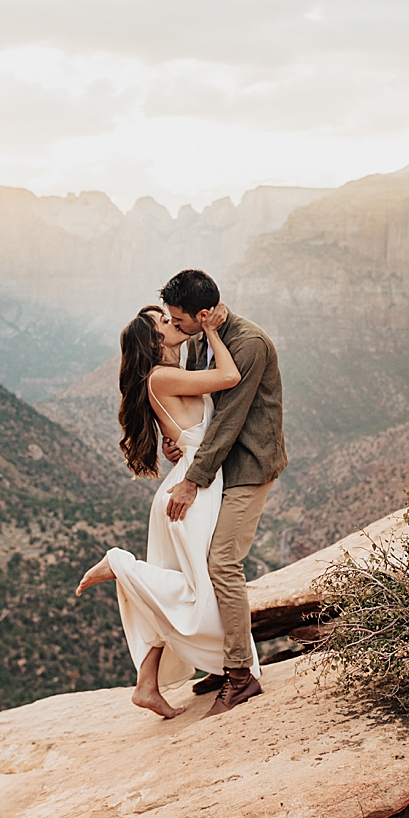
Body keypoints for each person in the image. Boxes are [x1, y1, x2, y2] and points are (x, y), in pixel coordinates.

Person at [76, 302, 255, 719]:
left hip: (183, 484)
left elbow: (190, 429)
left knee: (173, 583)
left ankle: (147, 685)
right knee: (197, 588)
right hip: (192, 493)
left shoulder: (163, 376)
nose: (173, 323)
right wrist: (210, 330)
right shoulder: (164, 374)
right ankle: (120, 564)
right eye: (163, 322)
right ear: (155, 341)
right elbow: (230, 377)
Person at [159, 267, 288, 716]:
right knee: (198, 556)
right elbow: (204, 409)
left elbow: (231, 418)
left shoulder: (248, 344)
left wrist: (192, 479)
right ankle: (220, 660)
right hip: (217, 464)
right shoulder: (201, 339)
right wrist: (180, 437)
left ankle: (240, 675)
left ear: (204, 313)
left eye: (179, 320)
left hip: (248, 465)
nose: (174, 327)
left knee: (221, 561)